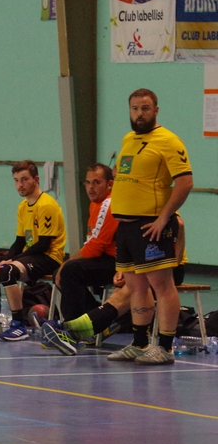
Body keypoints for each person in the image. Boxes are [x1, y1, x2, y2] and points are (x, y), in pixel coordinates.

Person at [100, 88, 193, 365]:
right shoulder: (128, 139)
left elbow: (185, 182)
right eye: (134, 109)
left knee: (162, 286)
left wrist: (164, 218)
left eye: (145, 108)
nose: (139, 114)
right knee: (136, 286)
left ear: (156, 110)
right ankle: (139, 343)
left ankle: (164, 347)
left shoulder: (168, 141)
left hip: (151, 226)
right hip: (126, 227)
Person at [42, 215, 187, 355]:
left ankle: (71, 331)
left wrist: (173, 263)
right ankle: (126, 338)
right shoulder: (132, 216)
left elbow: (179, 224)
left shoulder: (154, 209)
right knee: (119, 294)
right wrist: (124, 269)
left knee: (124, 296)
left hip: (164, 265)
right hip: (142, 265)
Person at [0, 160, 65, 341]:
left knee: (7, 270)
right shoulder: (22, 207)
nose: (20, 185)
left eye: (24, 179)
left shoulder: (46, 205)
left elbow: (43, 244)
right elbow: (19, 242)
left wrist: (12, 261)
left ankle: (19, 325)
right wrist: (9, 257)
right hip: (30, 255)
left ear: (36, 180)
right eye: (16, 180)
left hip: (49, 257)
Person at [54, 163, 117, 321]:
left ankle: (71, 325)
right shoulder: (94, 204)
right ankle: (95, 317)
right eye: (88, 182)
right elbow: (90, 241)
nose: (90, 187)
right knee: (61, 273)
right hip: (104, 258)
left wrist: (66, 263)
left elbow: (94, 248)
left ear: (109, 184)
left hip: (117, 262)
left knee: (70, 270)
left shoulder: (108, 205)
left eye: (97, 182)